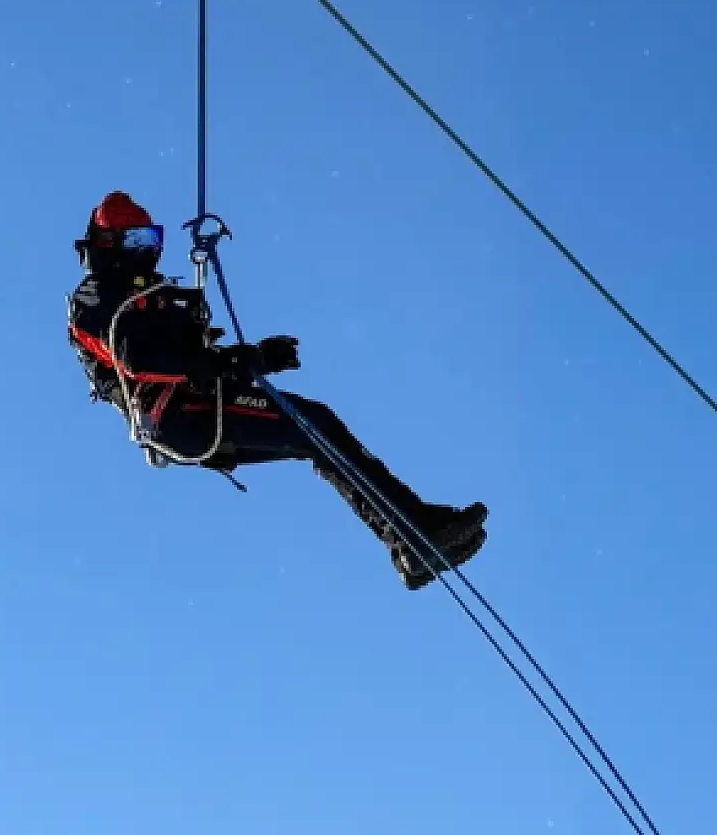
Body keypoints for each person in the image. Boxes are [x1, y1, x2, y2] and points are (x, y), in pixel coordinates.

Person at [68, 190, 487, 589]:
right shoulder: (97, 297)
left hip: (194, 408)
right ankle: (413, 535)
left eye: (153, 237)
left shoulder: (144, 297)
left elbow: (188, 361)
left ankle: (409, 538)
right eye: (138, 239)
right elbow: (146, 360)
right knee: (313, 425)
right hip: (180, 414)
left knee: (316, 429)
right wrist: (246, 360)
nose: (149, 249)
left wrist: (242, 354)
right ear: (109, 242)